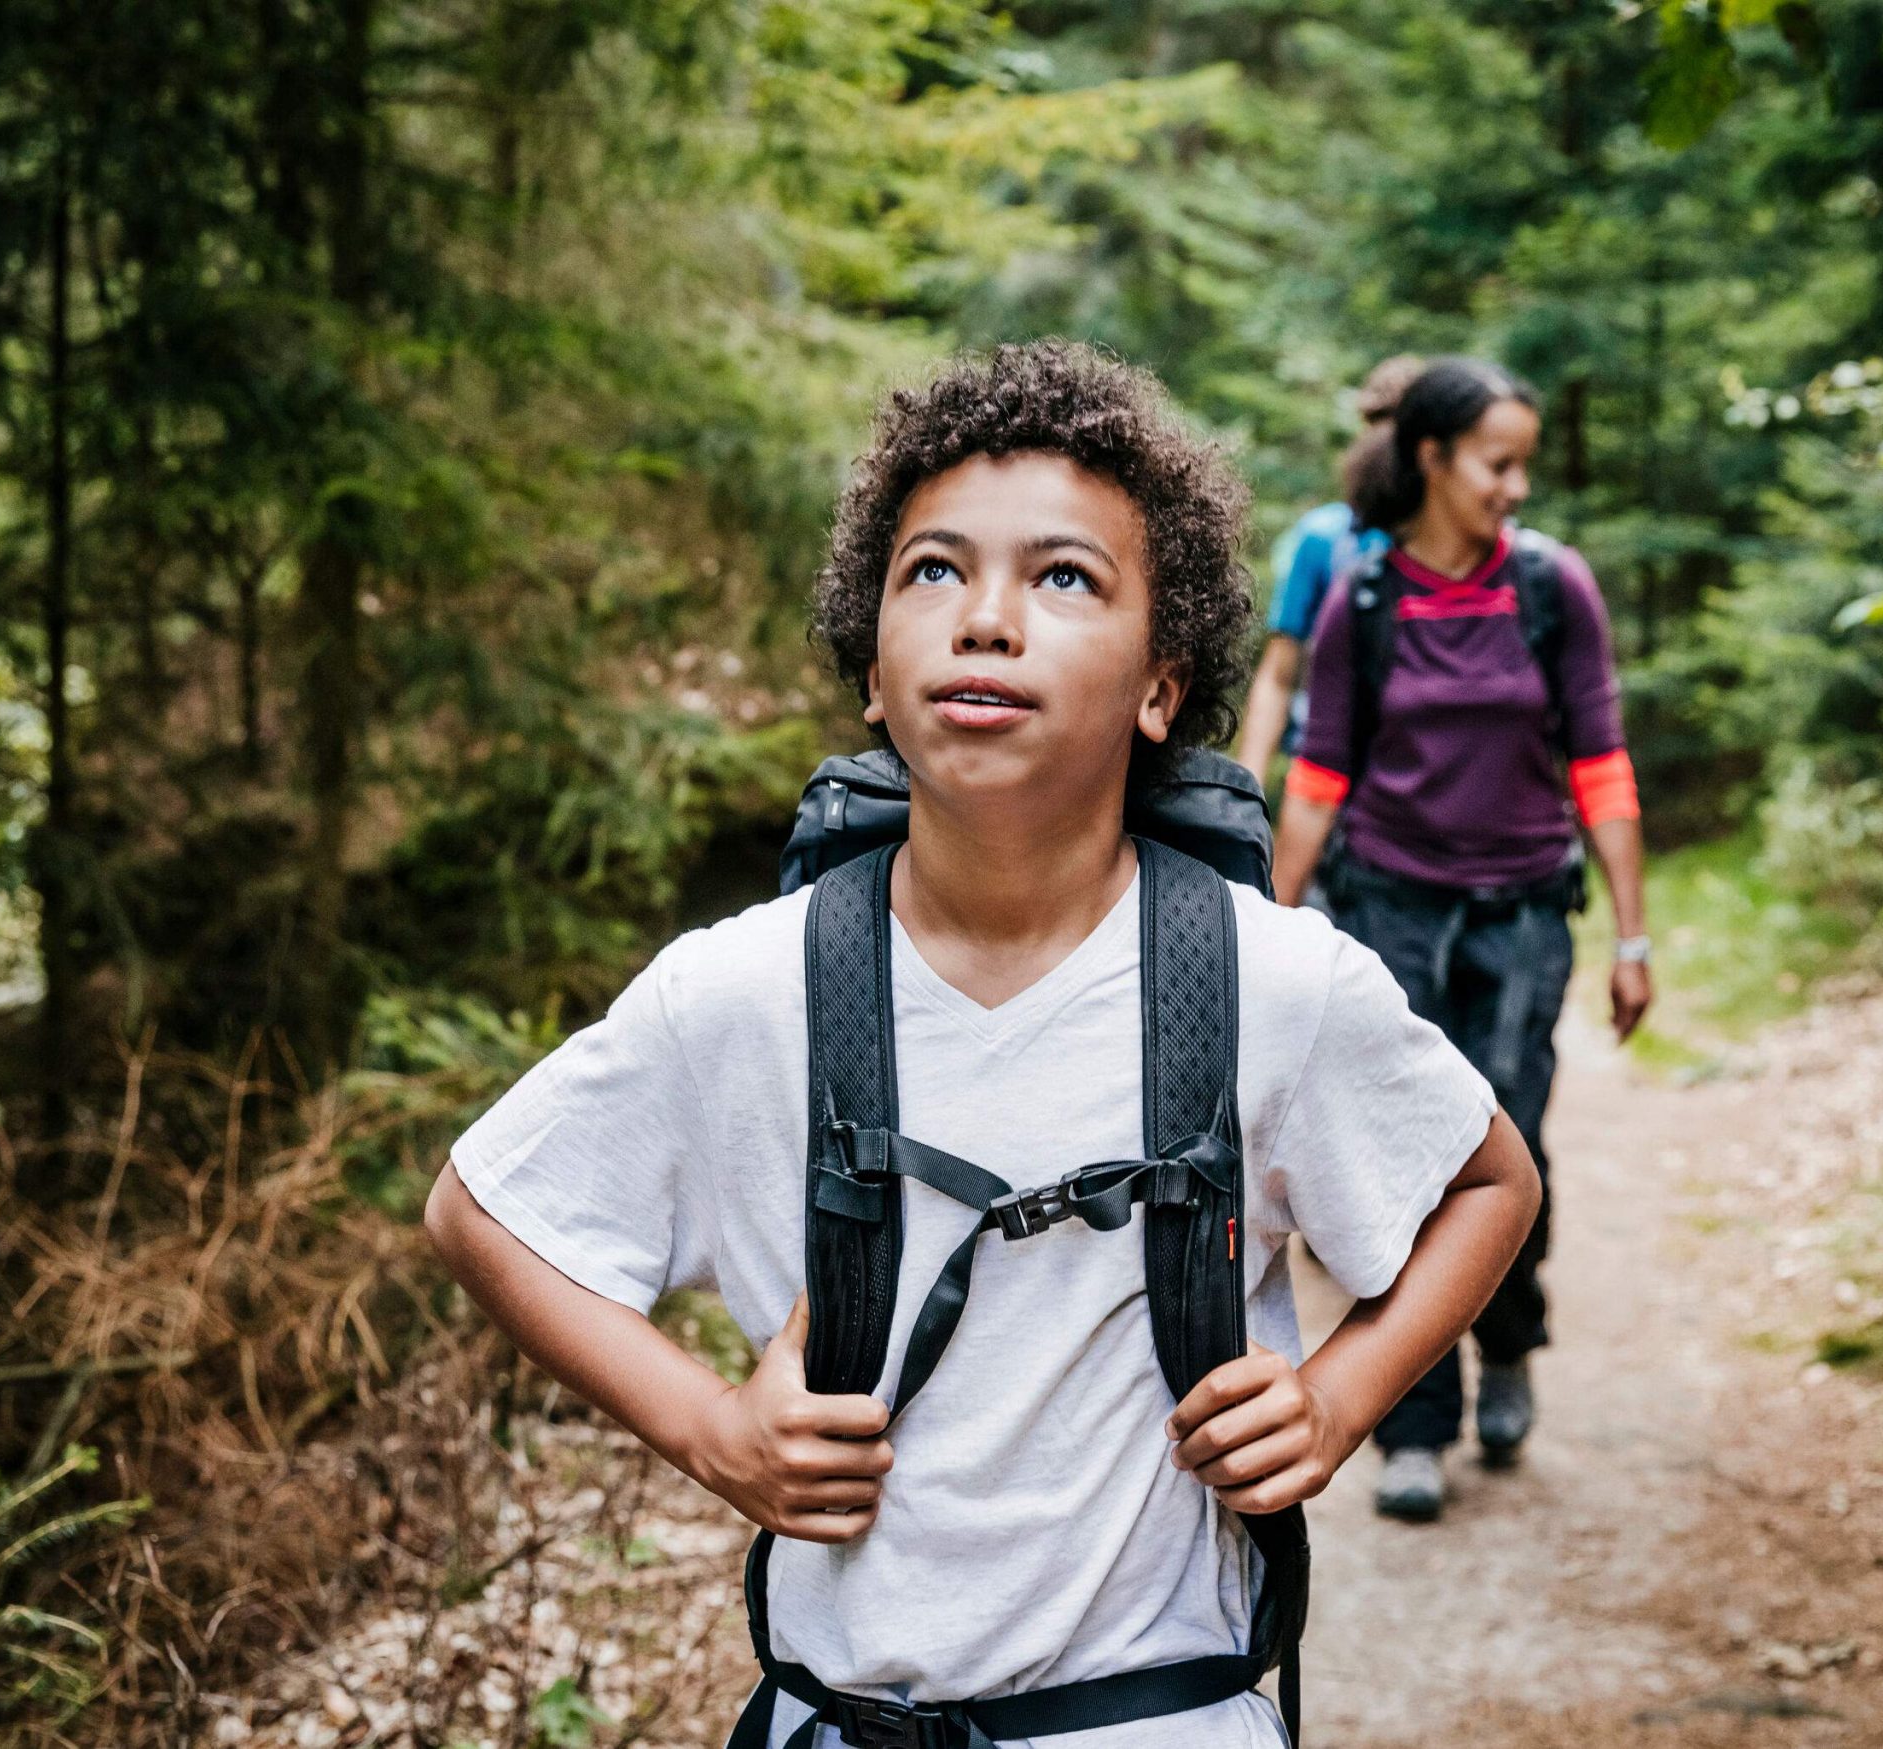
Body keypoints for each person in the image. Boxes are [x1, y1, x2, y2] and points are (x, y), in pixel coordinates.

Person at [424, 341, 1544, 1748]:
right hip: (839, 1720)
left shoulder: (1271, 981)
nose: (988, 618)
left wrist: (1337, 1399)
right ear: (874, 678)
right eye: (932, 571)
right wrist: (711, 1430)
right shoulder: (743, 991)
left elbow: (1487, 1181)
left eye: (1065, 577)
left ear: (1160, 686)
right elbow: (482, 1206)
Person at [1269, 357, 1653, 1523]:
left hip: (1526, 913)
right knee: (1408, 1168)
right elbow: (1318, 776)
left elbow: (1600, 760)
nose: (1515, 485)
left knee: (1509, 1146)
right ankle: (1415, 1426)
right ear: (1431, 459)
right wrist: (1269, 927)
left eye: (1523, 461)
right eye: (1497, 462)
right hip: (1389, 910)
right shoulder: (1363, 600)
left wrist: (1631, 935)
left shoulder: (1551, 589)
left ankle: (1514, 1341)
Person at [1232, 357, 1423, 788]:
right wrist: (1245, 790)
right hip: (1325, 771)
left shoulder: (1454, 542)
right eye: (1376, 424)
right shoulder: (1323, 539)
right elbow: (1279, 672)